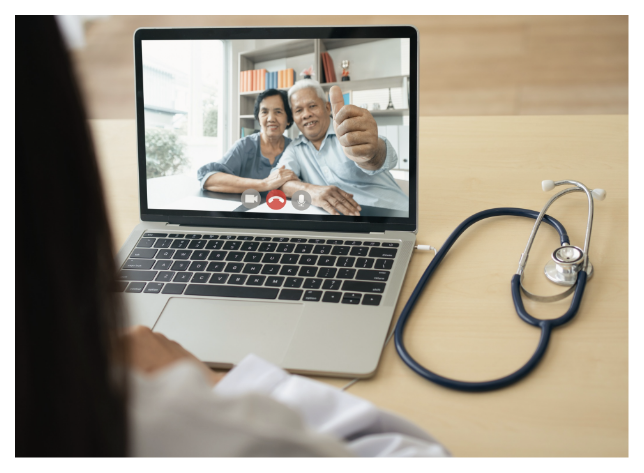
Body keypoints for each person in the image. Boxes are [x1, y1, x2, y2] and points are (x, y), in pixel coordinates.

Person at [16, 16, 449, 457]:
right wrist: (299, 188)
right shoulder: (289, 150)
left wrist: (373, 149)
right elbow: (282, 182)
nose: (297, 116)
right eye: (289, 110)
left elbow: (377, 156)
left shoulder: (343, 133)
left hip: (376, 223)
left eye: (300, 109)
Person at [273, 79, 409, 216]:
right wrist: (311, 191)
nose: (306, 114)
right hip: (343, 225)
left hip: (393, 216)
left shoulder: (349, 130)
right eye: (298, 110)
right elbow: (277, 181)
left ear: (327, 107)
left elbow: (380, 157)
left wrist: (370, 155)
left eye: (312, 106)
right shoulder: (294, 148)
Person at [197, 89, 299, 194]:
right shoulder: (244, 146)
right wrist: (264, 184)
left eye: (278, 112)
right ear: (258, 118)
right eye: (264, 112)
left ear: (288, 119)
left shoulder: (296, 149)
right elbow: (209, 179)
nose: (270, 119)